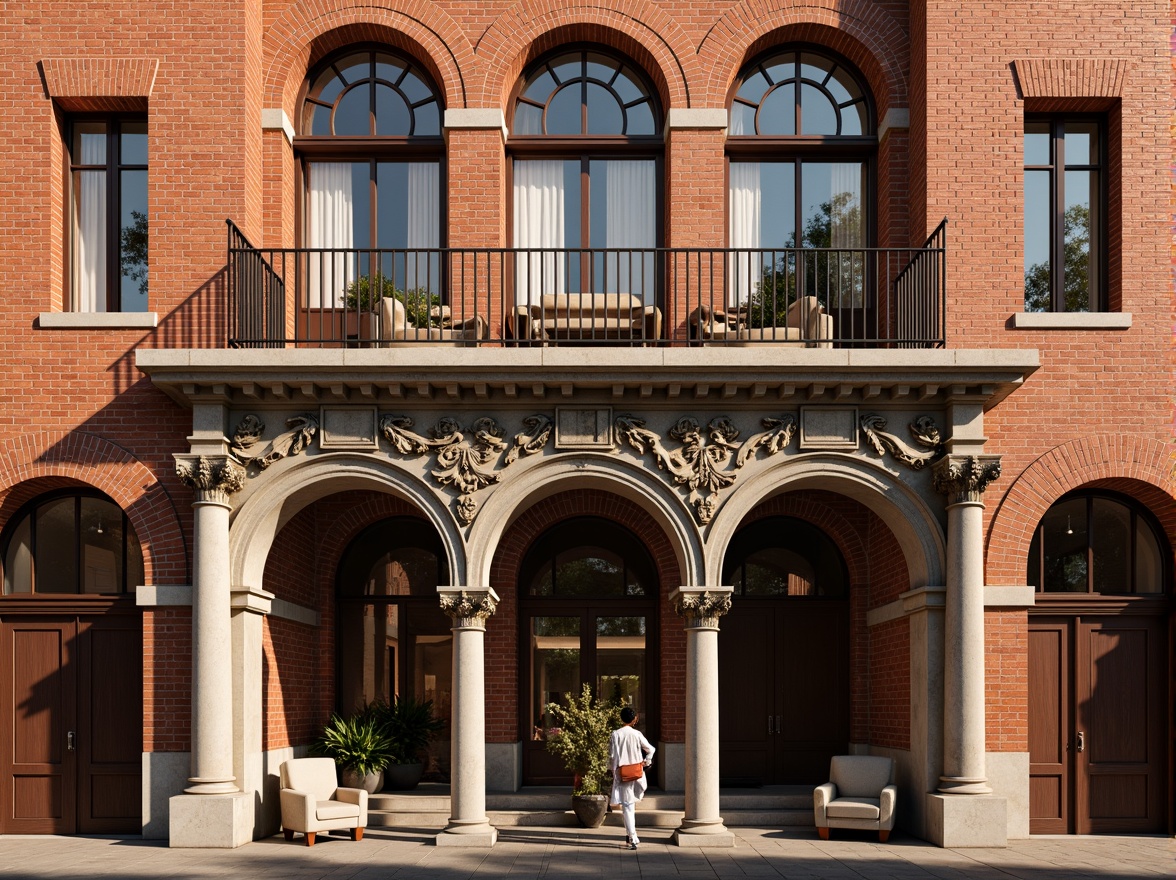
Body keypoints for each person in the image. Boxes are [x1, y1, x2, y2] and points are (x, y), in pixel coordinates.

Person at [608, 706, 655, 850]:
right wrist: (646, 762)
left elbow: (612, 756)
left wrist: (612, 770)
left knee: (627, 806)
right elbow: (650, 749)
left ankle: (632, 837)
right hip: (636, 771)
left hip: (622, 773)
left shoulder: (616, 734)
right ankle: (630, 835)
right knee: (629, 805)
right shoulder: (636, 734)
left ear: (621, 718)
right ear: (634, 719)